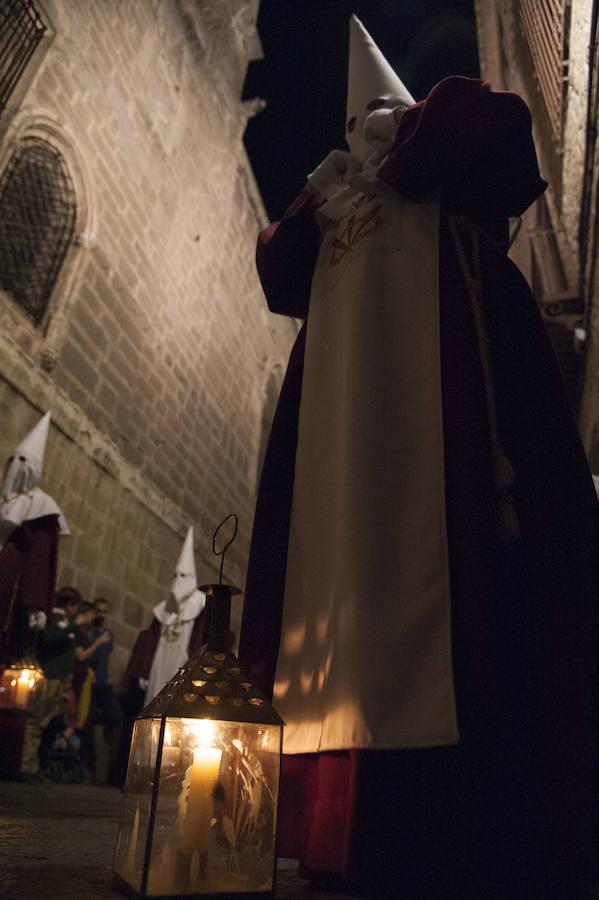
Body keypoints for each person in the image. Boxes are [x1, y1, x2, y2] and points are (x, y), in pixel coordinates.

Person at [239, 16, 599, 900]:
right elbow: (278, 272)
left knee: (476, 606)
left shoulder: (457, 241)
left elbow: (498, 132)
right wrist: (344, 185)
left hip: (460, 417)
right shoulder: (338, 223)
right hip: (352, 435)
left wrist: (397, 146)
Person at [0, 412, 69, 658]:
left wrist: (36, 604)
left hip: (8, 590)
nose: (17, 466)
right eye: (13, 460)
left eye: (23, 461)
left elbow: (40, 559)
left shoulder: (40, 505)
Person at [126, 527, 206, 705]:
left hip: (183, 662)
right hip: (159, 662)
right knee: (154, 701)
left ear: (192, 578)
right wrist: (144, 670)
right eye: (176, 575)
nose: (178, 579)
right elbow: (152, 640)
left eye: (183, 575)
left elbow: (200, 638)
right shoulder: (164, 607)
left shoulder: (200, 603)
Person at [20, 586, 81, 778]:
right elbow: (49, 638)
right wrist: (73, 625)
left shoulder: (65, 622)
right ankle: (25, 765)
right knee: (35, 722)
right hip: (48, 678)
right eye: (75, 606)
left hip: (58, 680)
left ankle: (32, 764)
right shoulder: (53, 619)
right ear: (70, 605)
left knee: (43, 724)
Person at [85, 597, 123, 784]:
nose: (102, 615)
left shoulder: (108, 633)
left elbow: (106, 658)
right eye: (99, 611)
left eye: (105, 611)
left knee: (116, 717)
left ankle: (110, 766)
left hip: (103, 684)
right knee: (88, 723)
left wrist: (108, 676)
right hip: (88, 684)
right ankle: (89, 770)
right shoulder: (88, 631)